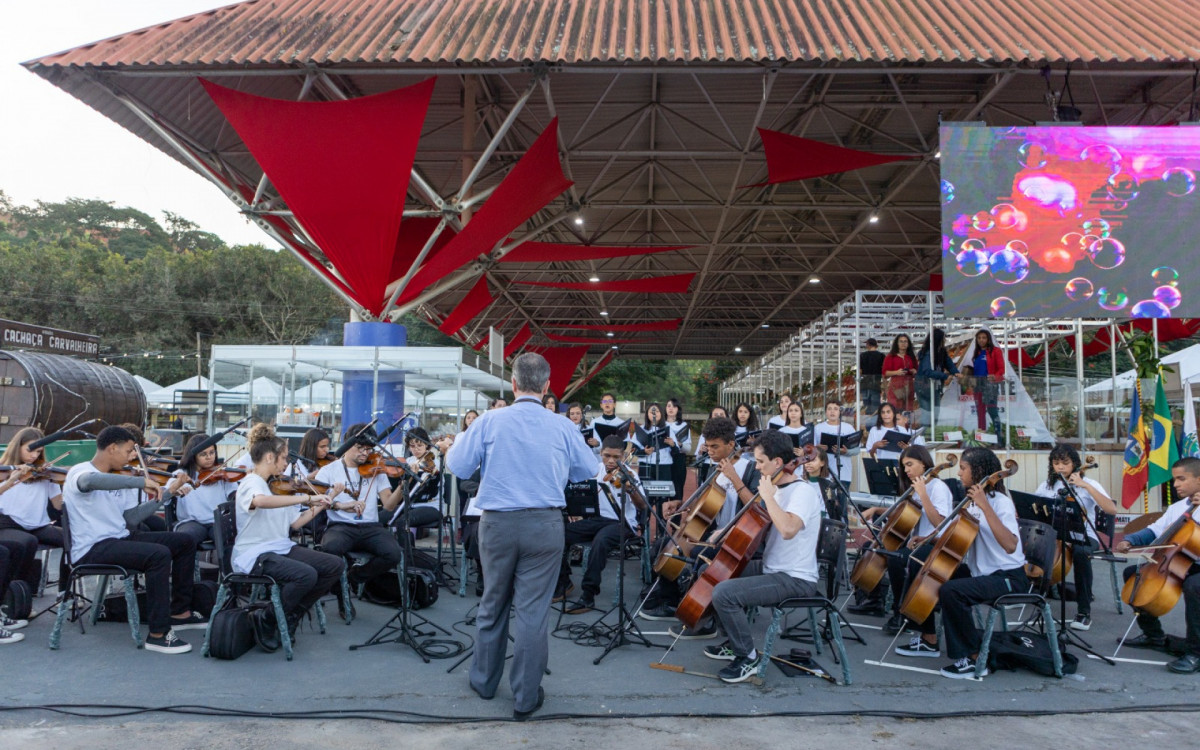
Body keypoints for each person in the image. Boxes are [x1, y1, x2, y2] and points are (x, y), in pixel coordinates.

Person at [445, 352, 597, 721]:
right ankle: (526, 697)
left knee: (493, 602)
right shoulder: (561, 425)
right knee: (532, 612)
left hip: (496, 522)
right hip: (544, 524)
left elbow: (457, 465)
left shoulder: (489, 420)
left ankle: (483, 682)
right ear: (547, 387)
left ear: (513, 384)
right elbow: (589, 469)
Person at [62, 425, 205, 654]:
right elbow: (90, 482)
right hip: (93, 547)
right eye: (128, 450)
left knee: (184, 541)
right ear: (112, 448)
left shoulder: (122, 476)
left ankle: (179, 612)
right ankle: (158, 634)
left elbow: (132, 518)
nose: (131, 456)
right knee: (158, 556)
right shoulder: (80, 471)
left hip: (120, 536)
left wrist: (168, 492)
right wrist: (139, 482)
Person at [894, 447, 1026, 679]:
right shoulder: (972, 502)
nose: (959, 473)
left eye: (963, 469)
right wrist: (926, 538)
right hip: (982, 573)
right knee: (925, 565)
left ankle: (975, 659)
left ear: (979, 471)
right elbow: (951, 531)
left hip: (1008, 577)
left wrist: (985, 505)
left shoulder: (999, 502)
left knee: (952, 591)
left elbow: (1010, 545)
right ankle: (928, 639)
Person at [702, 429, 822, 683]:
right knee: (716, 572)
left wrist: (768, 497)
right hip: (773, 568)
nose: (756, 467)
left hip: (795, 578)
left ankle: (748, 658)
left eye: (760, 462)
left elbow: (788, 529)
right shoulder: (777, 489)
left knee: (725, 593)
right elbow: (759, 523)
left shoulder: (802, 492)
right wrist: (728, 530)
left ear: (777, 462)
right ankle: (735, 642)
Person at [233, 425, 345, 651]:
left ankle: (290, 616)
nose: (287, 463)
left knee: (334, 565)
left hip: (280, 547)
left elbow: (295, 523)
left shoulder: (280, 487)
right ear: (268, 457)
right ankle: (268, 618)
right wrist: (304, 498)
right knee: (306, 575)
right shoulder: (252, 482)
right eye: (283, 458)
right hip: (254, 553)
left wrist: (326, 499)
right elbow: (261, 501)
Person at [657, 417, 762, 635]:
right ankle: (670, 601)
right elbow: (705, 503)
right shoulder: (714, 469)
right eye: (708, 445)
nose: (710, 451)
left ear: (731, 445)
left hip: (738, 540)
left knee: (697, 554)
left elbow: (756, 508)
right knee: (664, 545)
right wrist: (681, 505)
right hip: (714, 534)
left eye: (715, 446)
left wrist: (734, 478)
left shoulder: (751, 469)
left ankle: (704, 619)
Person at [851, 446, 954, 631]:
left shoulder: (937, 487)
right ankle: (874, 600)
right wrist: (876, 510)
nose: (906, 470)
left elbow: (940, 522)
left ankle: (901, 612)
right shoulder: (916, 486)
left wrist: (922, 494)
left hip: (933, 544)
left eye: (909, 464)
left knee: (896, 559)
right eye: (903, 466)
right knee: (870, 546)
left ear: (923, 463)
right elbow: (903, 513)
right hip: (915, 541)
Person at [1117, 456, 1200, 673]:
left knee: (1195, 586)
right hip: (1178, 561)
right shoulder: (1179, 507)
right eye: (1174, 479)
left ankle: (1195, 653)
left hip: (1197, 567)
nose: (1175, 485)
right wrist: (1130, 541)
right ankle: (1153, 635)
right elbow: (1155, 529)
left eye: (1182, 479)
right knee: (1133, 574)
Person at [314, 423, 405, 602]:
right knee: (330, 548)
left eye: (368, 449)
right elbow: (318, 504)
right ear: (347, 445)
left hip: (371, 526)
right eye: (360, 448)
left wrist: (402, 487)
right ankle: (341, 594)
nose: (365, 453)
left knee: (394, 554)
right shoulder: (328, 471)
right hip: (340, 526)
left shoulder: (377, 470)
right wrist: (340, 505)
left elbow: (388, 505)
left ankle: (353, 577)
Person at [558, 435, 647, 613]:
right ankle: (564, 582)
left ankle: (588, 596)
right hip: (597, 520)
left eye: (616, 457)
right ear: (601, 454)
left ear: (623, 456)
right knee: (558, 534)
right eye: (607, 456)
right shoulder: (594, 470)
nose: (611, 461)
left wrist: (629, 488)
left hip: (622, 523)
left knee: (601, 542)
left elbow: (643, 505)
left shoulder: (630, 474)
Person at [1032, 444, 1115, 632]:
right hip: (1056, 534)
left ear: (1075, 464)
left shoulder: (1089, 484)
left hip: (1085, 535)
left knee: (1080, 552)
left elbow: (1111, 509)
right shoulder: (1047, 485)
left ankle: (1084, 611)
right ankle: (1029, 591)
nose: (1060, 467)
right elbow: (1036, 507)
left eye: (1065, 463)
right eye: (1056, 463)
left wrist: (1084, 485)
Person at [0, 428, 67, 602]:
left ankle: (64, 590)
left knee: (71, 539)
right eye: (30, 449)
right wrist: (12, 479)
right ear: (18, 447)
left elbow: (58, 505)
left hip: (37, 525)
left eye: (38, 452)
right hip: (9, 523)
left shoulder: (44, 473)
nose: (34, 456)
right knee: (27, 542)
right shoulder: (4, 471)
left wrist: (62, 485)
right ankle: (16, 593)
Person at [165, 433, 238, 547]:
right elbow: (166, 492)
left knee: (230, 536)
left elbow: (234, 495)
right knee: (186, 538)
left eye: (212, 452)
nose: (209, 457)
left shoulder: (222, 474)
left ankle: (227, 564)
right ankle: (191, 564)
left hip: (217, 521)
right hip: (190, 522)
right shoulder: (181, 474)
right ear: (193, 456)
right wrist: (178, 486)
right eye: (203, 454)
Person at [963, 328, 1006, 442]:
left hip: (990, 385)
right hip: (978, 384)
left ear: (988, 339)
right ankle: (982, 438)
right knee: (980, 412)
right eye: (979, 338)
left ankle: (999, 438)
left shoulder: (995, 351)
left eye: (984, 338)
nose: (981, 340)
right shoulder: (976, 352)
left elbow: (1002, 369)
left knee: (992, 411)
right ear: (976, 340)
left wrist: (995, 376)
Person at [915, 328, 960, 430]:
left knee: (934, 413)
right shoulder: (928, 353)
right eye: (943, 338)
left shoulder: (941, 352)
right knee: (927, 414)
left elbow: (949, 364)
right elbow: (927, 371)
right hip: (925, 386)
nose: (945, 341)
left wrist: (956, 372)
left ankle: (929, 435)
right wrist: (945, 376)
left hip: (933, 387)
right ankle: (925, 436)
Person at [813, 402, 857, 487]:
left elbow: (856, 450)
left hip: (844, 474)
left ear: (840, 412)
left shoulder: (848, 428)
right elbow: (812, 449)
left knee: (842, 499)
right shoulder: (818, 428)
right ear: (825, 412)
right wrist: (818, 449)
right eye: (829, 409)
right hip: (824, 473)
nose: (832, 412)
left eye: (836, 409)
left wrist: (846, 451)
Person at [664, 398, 691, 503]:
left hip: (678, 460)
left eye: (674, 406)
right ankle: (662, 518)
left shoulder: (683, 426)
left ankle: (675, 519)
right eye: (668, 406)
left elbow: (688, 449)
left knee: (677, 492)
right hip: (664, 460)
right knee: (663, 493)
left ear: (678, 409)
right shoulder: (660, 425)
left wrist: (678, 444)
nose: (671, 408)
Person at [883, 334, 918, 414]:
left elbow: (917, 370)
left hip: (909, 386)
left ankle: (906, 425)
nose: (903, 343)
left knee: (908, 410)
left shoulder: (911, 357)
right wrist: (896, 372)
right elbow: (885, 373)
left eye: (905, 341)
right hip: (895, 387)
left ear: (908, 344)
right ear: (897, 343)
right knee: (895, 409)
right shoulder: (890, 357)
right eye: (901, 341)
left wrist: (914, 371)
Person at [638, 402, 671, 482]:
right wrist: (644, 451)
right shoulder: (641, 429)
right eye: (651, 412)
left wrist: (672, 444)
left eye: (657, 411)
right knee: (645, 493)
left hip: (664, 466)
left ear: (661, 414)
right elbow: (633, 451)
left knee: (662, 493)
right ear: (647, 414)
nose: (654, 414)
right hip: (645, 465)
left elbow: (676, 451)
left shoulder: (668, 428)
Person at [860, 339, 886, 417]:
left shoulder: (862, 355)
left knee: (866, 406)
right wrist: (884, 385)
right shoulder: (881, 356)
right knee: (875, 407)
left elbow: (860, 371)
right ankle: (874, 424)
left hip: (864, 384)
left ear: (868, 345)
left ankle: (868, 425)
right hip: (876, 385)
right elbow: (883, 371)